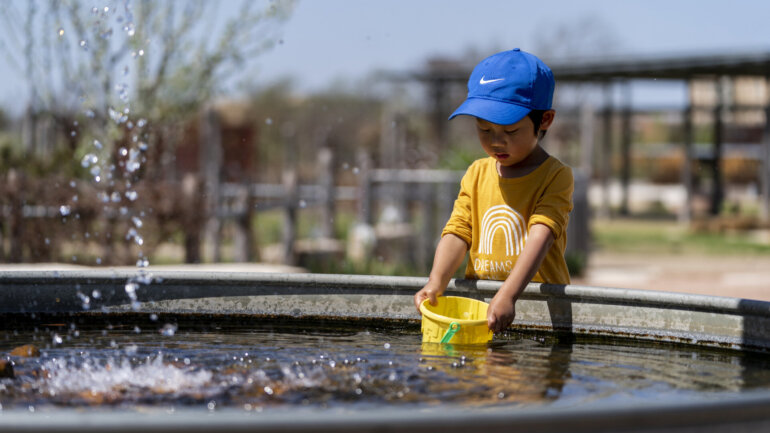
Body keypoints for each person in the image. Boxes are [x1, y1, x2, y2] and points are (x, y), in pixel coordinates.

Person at [413, 48, 573, 333]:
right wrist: (436, 282)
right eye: (484, 130)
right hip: (480, 308)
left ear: (545, 120)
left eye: (510, 132)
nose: (497, 142)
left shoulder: (556, 176)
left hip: (540, 312)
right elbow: (458, 231)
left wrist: (508, 295)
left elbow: (542, 235)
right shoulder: (476, 173)